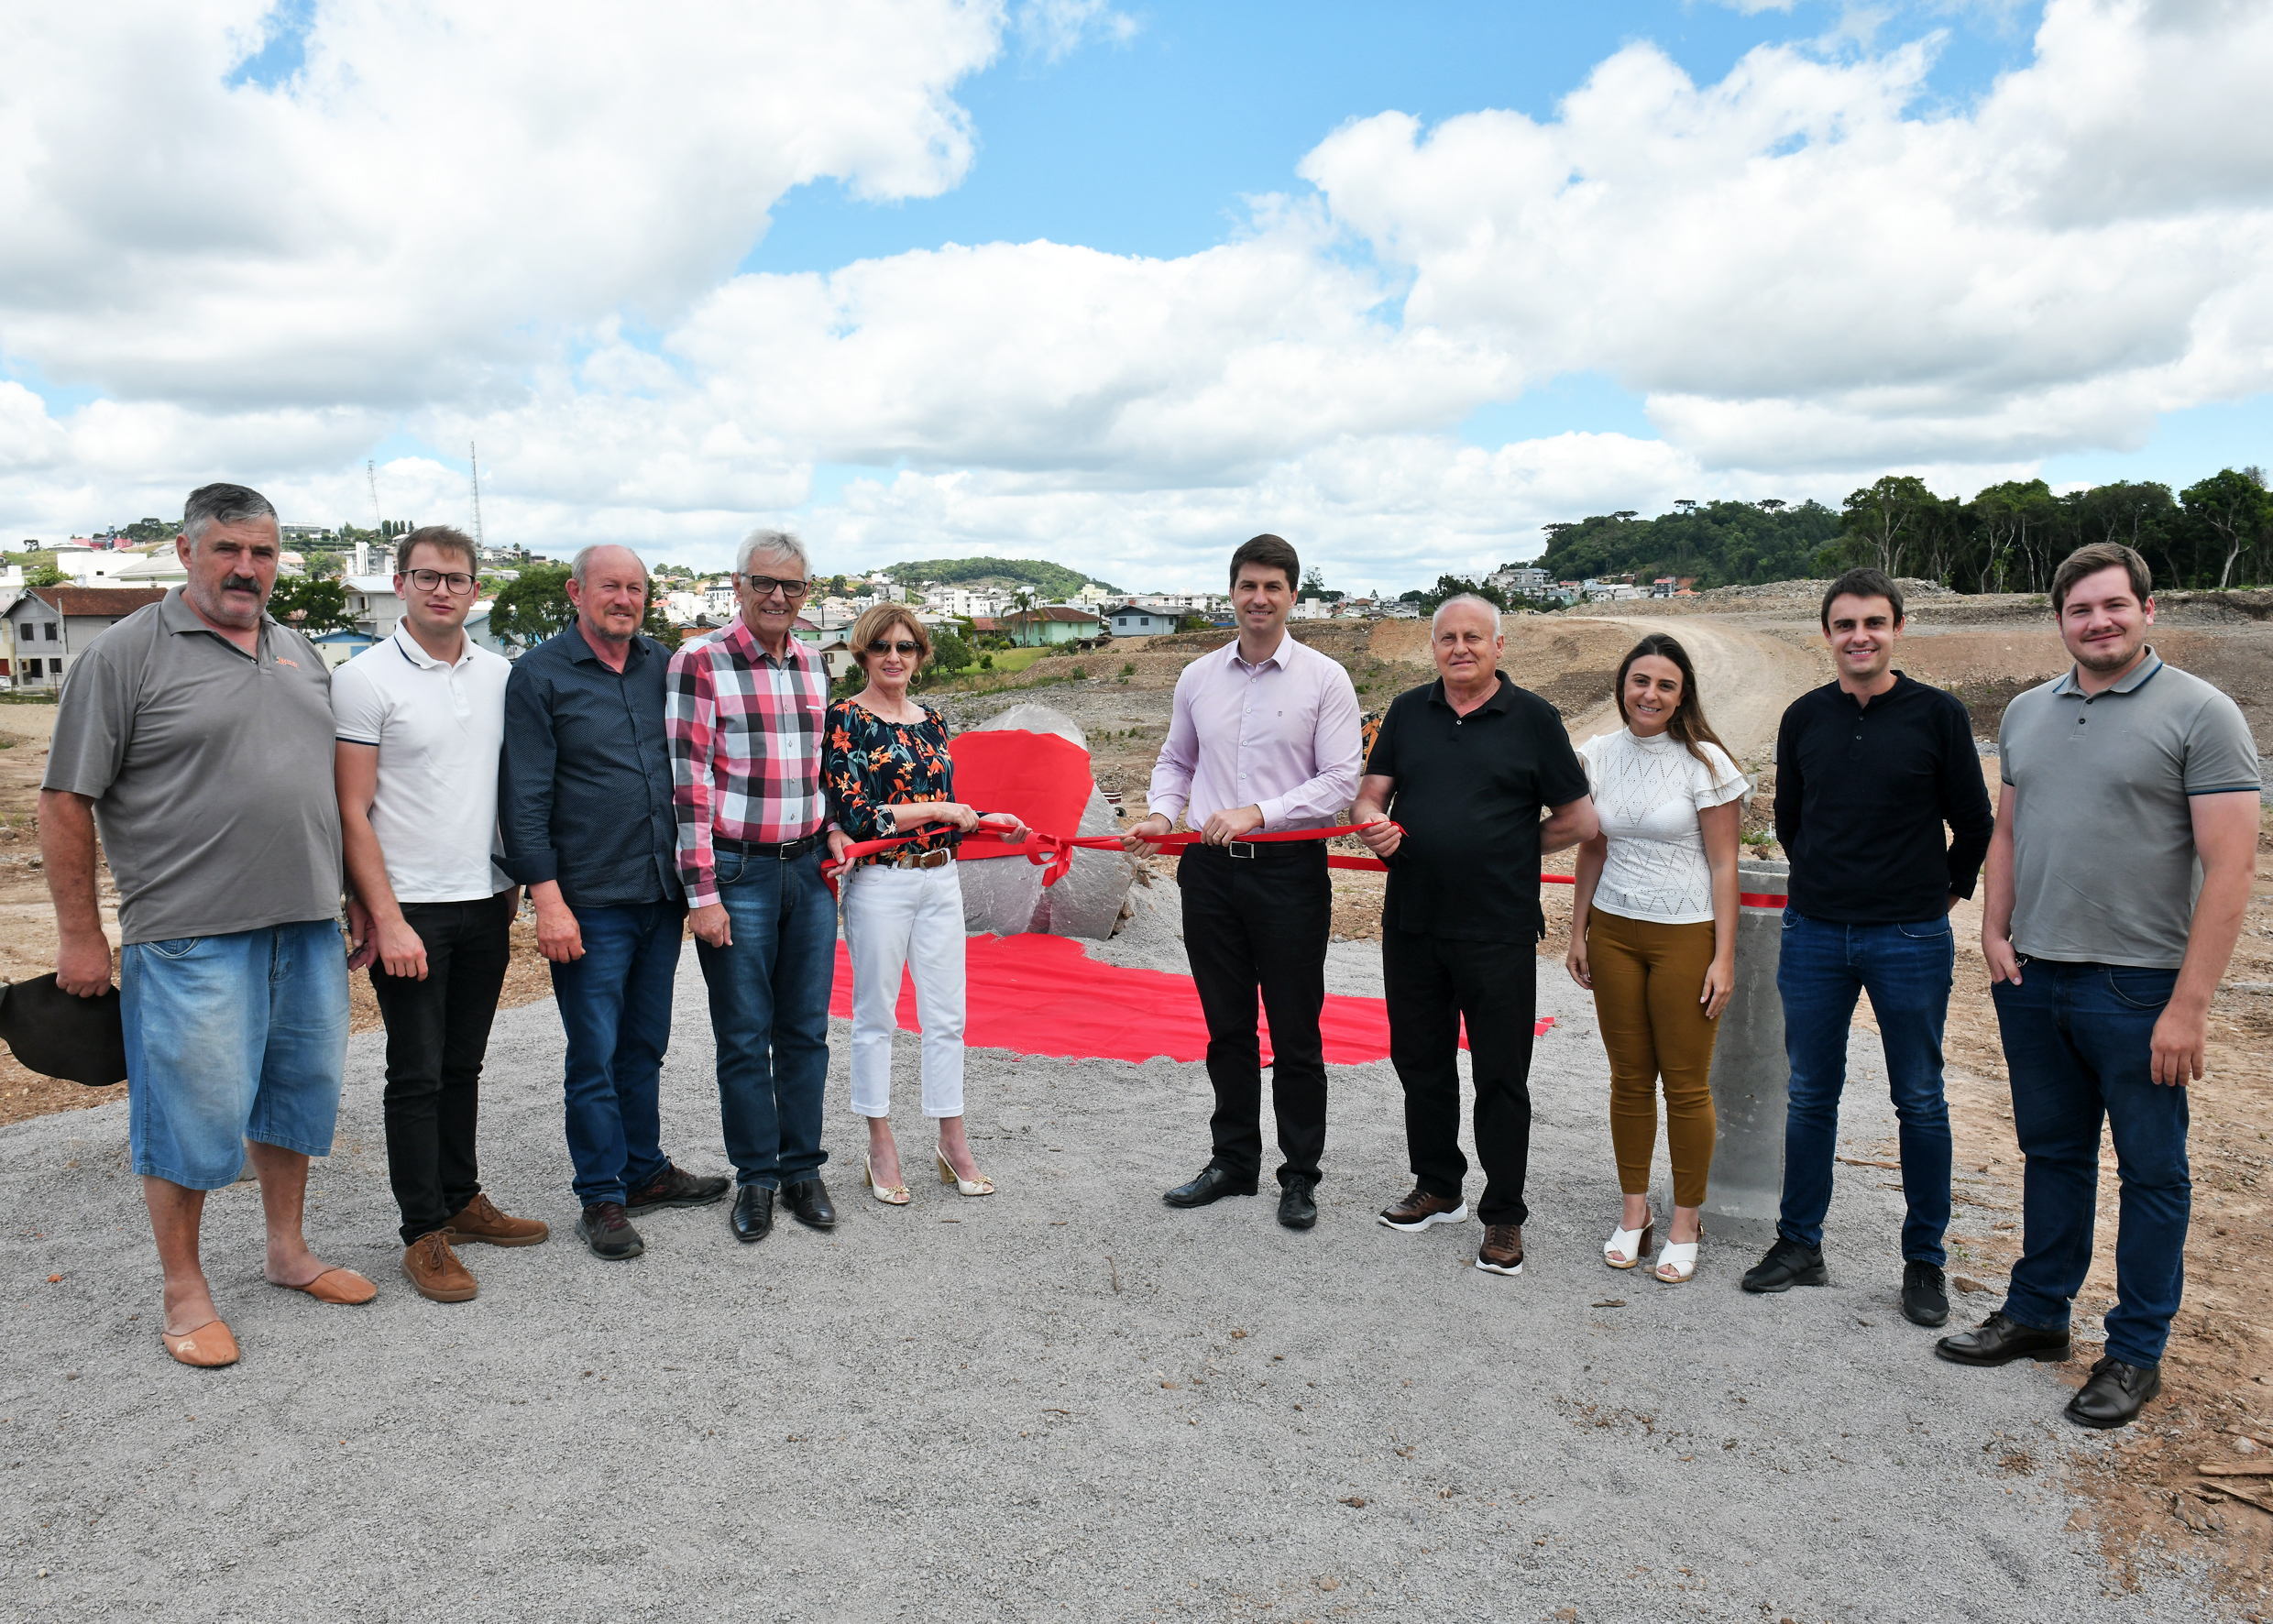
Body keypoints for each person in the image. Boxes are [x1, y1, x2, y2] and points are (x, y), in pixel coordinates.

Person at [40, 483, 373, 1368]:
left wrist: (356, 896)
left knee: (297, 1094)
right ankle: (184, 1290)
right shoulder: (124, 655)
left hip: (304, 924)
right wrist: (80, 934)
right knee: (191, 1114)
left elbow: (326, 794)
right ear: (187, 553)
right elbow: (66, 801)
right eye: (227, 550)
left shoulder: (298, 649)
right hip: (190, 932)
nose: (246, 568)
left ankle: (287, 1251)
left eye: (262, 553)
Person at [1938, 543, 2259, 1430]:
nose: (2099, 622)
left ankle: (2134, 1352)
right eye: (2082, 610)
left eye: (2115, 606)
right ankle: (2040, 1312)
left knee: (2153, 1175)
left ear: (2148, 611)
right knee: (2053, 1154)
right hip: (2036, 977)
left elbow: (2230, 870)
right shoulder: (2030, 713)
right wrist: (1995, 930)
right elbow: (2008, 833)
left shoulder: (2203, 713)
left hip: (2141, 988)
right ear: (2061, 621)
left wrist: (2189, 1006)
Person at [1742, 567, 1993, 1327]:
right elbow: (1792, 820)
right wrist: (1830, 883)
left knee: (1918, 1098)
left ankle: (1924, 1262)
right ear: (1828, 635)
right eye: (1846, 624)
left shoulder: (1938, 716)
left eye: (1874, 623)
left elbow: (1975, 824)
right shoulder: (1802, 717)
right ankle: (1800, 1244)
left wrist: (1936, 898)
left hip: (1909, 937)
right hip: (1815, 930)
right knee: (1810, 1093)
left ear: (1897, 630)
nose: (1860, 637)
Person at [1352, 596, 1598, 1276]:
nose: (1460, 648)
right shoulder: (1407, 712)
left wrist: (1513, 849)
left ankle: (1504, 1215)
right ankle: (1438, 1186)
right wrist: (1373, 822)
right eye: (1448, 638)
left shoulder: (1535, 719)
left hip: (1498, 928)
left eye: (1474, 638)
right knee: (1421, 1062)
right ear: (1433, 647)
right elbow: (1370, 795)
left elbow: (1578, 820)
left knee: (1500, 1076)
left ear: (1499, 647)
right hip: (1413, 923)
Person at [1125, 533, 1361, 1231]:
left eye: (1274, 587)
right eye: (1248, 585)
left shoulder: (1325, 680)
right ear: (1231, 592)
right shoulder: (1198, 677)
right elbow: (1175, 760)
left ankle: (1300, 1175)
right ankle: (1233, 1162)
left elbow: (1340, 782)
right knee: (1226, 1028)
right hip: (1208, 874)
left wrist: (1258, 812)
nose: (1260, 598)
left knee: (1295, 1032)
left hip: (1288, 872)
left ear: (1293, 596)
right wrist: (1166, 813)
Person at [335, 525, 546, 1304]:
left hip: (485, 898)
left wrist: (515, 879)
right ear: (401, 583)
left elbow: (507, 787)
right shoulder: (363, 679)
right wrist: (383, 916)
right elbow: (352, 809)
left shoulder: (501, 675)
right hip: (410, 906)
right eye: (427, 577)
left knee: (463, 1064)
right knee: (415, 1071)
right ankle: (422, 1231)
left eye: (456, 579)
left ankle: (461, 1199)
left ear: (475, 589)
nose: (442, 591)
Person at [501, 543, 728, 1261]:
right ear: (577, 592)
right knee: (594, 1054)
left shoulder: (665, 666)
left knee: (644, 1044)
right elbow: (525, 796)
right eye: (609, 587)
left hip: (658, 894)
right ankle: (600, 1193)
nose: (623, 599)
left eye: (634, 588)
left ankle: (644, 1171)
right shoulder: (537, 676)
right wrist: (548, 900)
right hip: (589, 898)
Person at [665, 529, 840, 1244]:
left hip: (807, 869)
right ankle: (757, 1179)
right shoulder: (699, 661)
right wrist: (701, 894)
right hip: (736, 873)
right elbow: (689, 784)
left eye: (791, 586)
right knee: (743, 1035)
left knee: (806, 1031)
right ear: (736, 585)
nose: (777, 597)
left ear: (806, 594)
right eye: (764, 583)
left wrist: (831, 832)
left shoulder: (814, 662)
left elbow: (819, 767)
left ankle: (802, 1168)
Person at [820, 603, 1027, 1205]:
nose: (894, 657)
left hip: (941, 879)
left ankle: (951, 1140)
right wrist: (939, 811)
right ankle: (880, 1143)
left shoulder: (931, 720)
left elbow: (949, 809)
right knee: (876, 1015)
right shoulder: (846, 719)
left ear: (920, 655)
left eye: (906, 647)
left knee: (947, 1017)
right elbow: (859, 815)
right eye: (882, 646)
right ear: (862, 653)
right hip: (881, 882)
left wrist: (989, 821)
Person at [1565, 634, 1747, 1284]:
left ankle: (1686, 1219)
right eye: (1640, 681)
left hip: (1685, 932)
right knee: (1629, 1079)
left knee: (1687, 1082)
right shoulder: (1596, 756)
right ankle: (1635, 1212)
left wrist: (1724, 957)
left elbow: (1725, 863)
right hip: (1614, 930)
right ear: (1622, 685)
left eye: (1665, 685)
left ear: (1682, 695)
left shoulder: (1707, 764)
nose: (1650, 694)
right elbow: (1591, 845)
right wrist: (1577, 929)